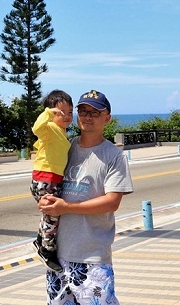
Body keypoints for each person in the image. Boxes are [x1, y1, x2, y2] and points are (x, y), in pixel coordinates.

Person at [39, 90, 133, 305]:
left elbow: (112, 202)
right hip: (57, 257)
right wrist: (44, 200)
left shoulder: (114, 155)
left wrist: (67, 207)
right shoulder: (65, 146)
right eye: (82, 111)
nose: (87, 117)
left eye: (95, 112)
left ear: (107, 118)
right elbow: (48, 179)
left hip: (92, 258)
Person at [30, 89, 74, 272]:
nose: (66, 116)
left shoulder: (62, 132)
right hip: (45, 179)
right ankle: (47, 251)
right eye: (60, 112)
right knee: (53, 215)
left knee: (50, 214)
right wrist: (48, 113)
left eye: (70, 112)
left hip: (52, 180)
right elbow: (36, 128)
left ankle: (40, 241)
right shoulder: (48, 129)